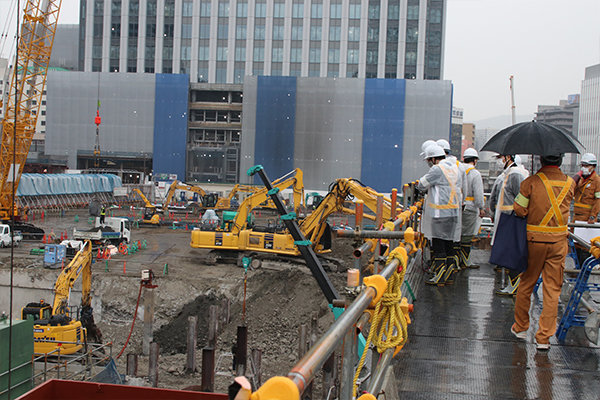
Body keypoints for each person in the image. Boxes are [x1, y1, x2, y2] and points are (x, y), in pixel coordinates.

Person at [511, 154, 575, 351]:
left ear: (540, 161)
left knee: (527, 283)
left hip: (534, 242)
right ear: (560, 161)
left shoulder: (530, 183)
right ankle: (544, 338)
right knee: (552, 290)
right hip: (558, 243)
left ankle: (521, 327)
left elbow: (519, 209)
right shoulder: (570, 183)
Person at [417, 143, 463, 286]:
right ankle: (448, 276)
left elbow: (421, 185)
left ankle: (439, 276)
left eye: (428, 160)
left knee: (439, 245)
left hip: (439, 213)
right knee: (449, 244)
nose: (428, 163)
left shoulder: (437, 169)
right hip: (453, 212)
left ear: (433, 159)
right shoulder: (455, 168)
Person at [489, 153, 529, 295]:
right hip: (508, 217)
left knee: (512, 253)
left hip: (513, 218)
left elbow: (522, 197)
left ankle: (514, 286)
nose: (499, 161)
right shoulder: (510, 173)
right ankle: (513, 285)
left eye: (501, 157)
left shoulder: (515, 174)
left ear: (508, 158)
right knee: (508, 253)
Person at [572, 153, 600, 266]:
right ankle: (576, 270)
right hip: (576, 217)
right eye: (582, 165)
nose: (584, 167)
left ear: (593, 167)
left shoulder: (596, 181)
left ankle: (582, 271)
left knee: (584, 246)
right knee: (574, 246)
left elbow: (598, 200)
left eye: (587, 165)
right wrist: (576, 178)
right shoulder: (580, 180)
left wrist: (593, 216)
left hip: (586, 218)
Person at [459, 148, 485, 269]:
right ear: (475, 160)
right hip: (470, 208)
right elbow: (478, 194)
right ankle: (465, 262)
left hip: (458, 206)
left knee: (457, 235)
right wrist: (481, 208)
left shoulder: (458, 169)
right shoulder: (475, 173)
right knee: (467, 236)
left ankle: (457, 260)